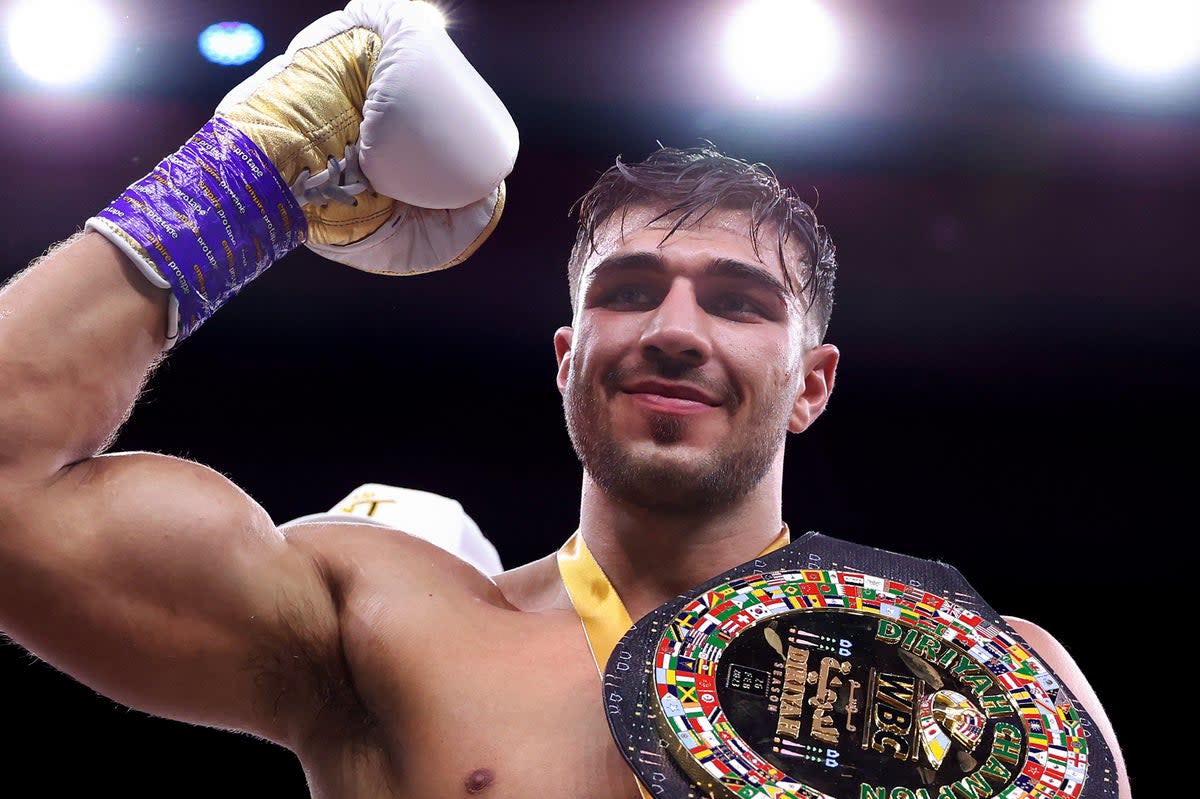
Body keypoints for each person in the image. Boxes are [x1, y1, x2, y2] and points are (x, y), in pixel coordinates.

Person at [0, 1, 1128, 797]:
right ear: (565, 356)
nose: (675, 330)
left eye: (737, 303)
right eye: (631, 292)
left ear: (812, 385)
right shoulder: (390, 622)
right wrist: (251, 175)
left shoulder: (972, 683)